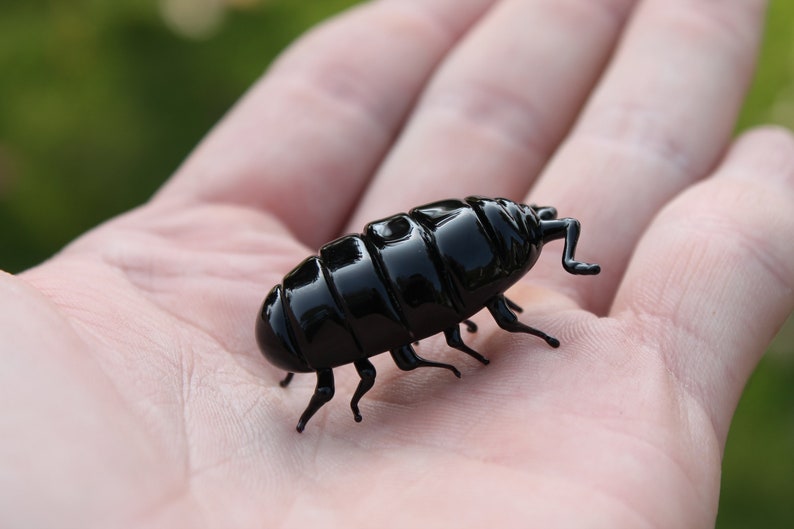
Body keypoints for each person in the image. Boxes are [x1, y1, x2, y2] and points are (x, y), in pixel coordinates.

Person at [1, 0, 792, 526]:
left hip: (447, 253)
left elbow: (435, 323)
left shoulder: (453, 263)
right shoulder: (473, 269)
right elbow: (449, 321)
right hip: (436, 260)